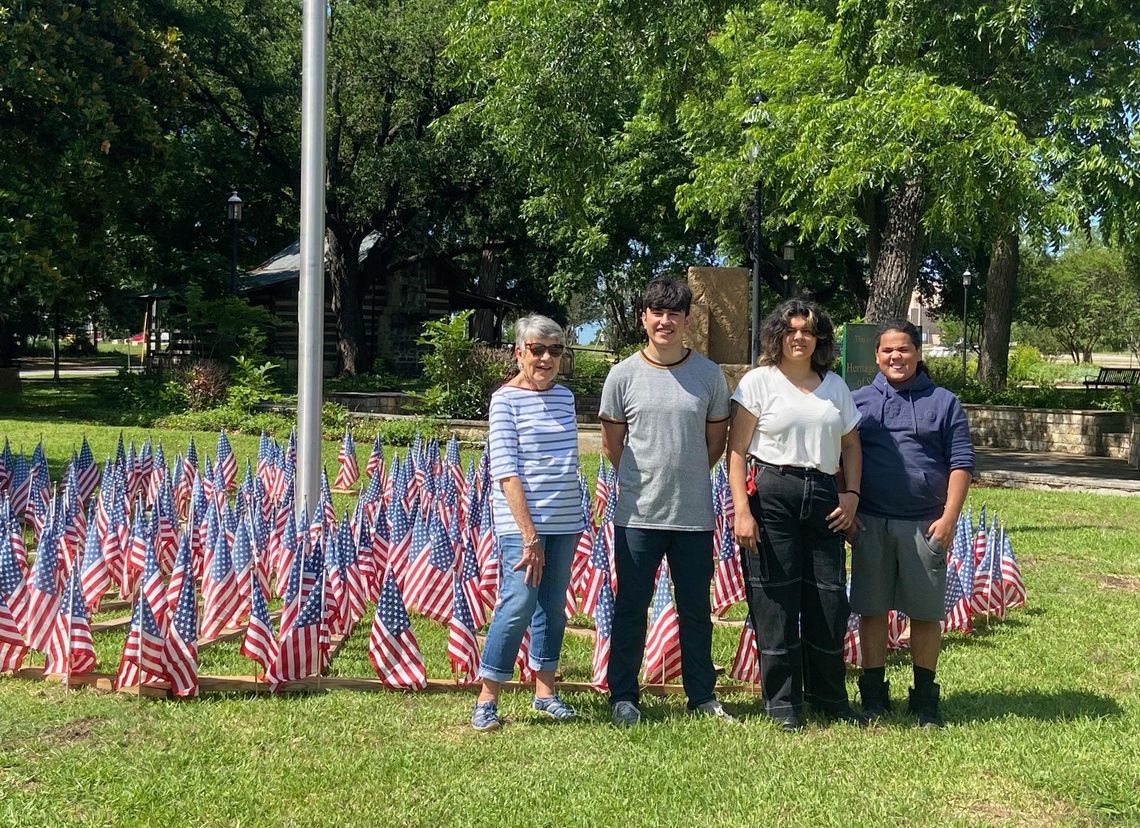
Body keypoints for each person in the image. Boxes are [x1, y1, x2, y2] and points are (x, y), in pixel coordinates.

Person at [599, 277, 733, 726]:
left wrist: (686, 473)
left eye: (674, 314)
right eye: (657, 312)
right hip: (637, 515)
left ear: (687, 321)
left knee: (696, 610)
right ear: (644, 318)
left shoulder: (709, 375)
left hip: (693, 515)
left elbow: (716, 442)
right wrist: (644, 481)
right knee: (631, 609)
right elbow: (612, 444)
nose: (665, 321)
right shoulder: (622, 376)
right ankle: (623, 696)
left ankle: (702, 697)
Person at [726, 298, 863, 730]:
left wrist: (852, 495)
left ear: (819, 337)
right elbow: (736, 451)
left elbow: (852, 445)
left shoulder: (834, 386)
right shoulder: (758, 383)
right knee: (776, 602)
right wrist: (742, 511)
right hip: (772, 493)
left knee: (827, 600)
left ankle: (829, 698)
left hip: (824, 495)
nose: (798, 337)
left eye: (807, 330)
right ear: (777, 336)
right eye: (790, 330)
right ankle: (783, 704)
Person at [849, 319, 973, 728]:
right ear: (877, 356)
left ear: (918, 353)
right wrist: (849, 509)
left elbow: (961, 463)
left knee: (924, 614)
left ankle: (924, 697)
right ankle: (873, 695)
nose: (895, 357)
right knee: (872, 609)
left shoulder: (944, 401)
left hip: (925, 525)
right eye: (887, 351)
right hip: (870, 522)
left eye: (903, 349)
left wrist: (949, 519)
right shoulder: (859, 400)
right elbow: (841, 456)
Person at [471, 314, 585, 732]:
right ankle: (488, 696)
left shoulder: (565, 398)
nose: (545, 358)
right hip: (522, 525)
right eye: (536, 350)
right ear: (519, 352)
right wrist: (528, 533)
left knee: (552, 607)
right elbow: (506, 471)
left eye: (554, 351)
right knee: (518, 601)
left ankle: (545, 691)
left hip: (566, 519)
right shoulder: (504, 400)